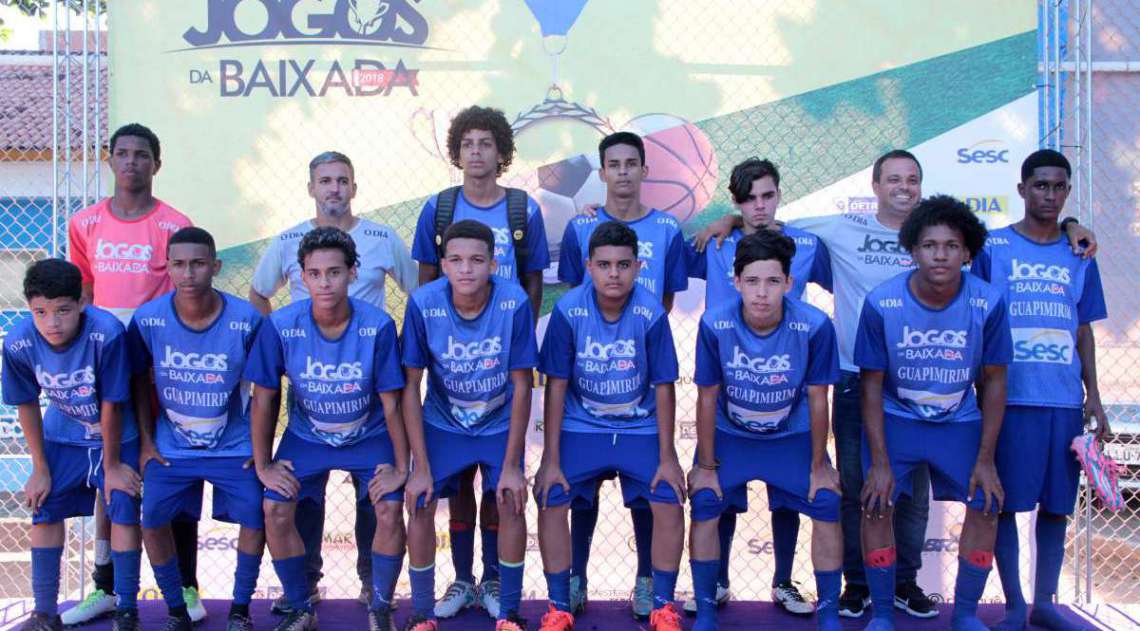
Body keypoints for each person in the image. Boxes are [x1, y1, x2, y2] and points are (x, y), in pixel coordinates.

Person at [697, 150, 1098, 619]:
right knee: (858, 484)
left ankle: (905, 581)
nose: (902, 187)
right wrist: (728, 217)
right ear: (875, 186)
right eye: (893, 179)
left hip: (927, 394)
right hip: (855, 374)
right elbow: (767, 226)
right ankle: (857, 585)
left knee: (914, 491)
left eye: (911, 179)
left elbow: (1030, 238)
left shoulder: (949, 239)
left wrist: (1071, 226)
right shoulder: (836, 231)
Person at [249, 151, 417, 613]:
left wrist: (393, 356)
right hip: (311, 416)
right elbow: (265, 396)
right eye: (325, 180)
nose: (334, 188)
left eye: (343, 180)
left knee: (381, 499)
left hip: (367, 404)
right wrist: (262, 462)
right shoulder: (285, 300)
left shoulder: (382, 245)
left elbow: (417, 298)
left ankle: (376, 593)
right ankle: (301, 594)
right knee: (288, 500)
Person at [410, 105, 549, 620]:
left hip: (499, 360)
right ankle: (462, 580)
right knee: (455, 491)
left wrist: (513, 330)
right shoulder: (439, 207)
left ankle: (495, 581)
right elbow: (427, 278)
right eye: (467, 143)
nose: (476, 152)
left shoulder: (521, 209)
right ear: (456, 151)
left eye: (486, 143)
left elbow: (534, 278)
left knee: (501, 488)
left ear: (501, 151)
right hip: (452, 379)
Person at [64, 123, 202, 626]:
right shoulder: (84, 223)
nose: (130, 163)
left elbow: (184, 295)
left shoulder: (174, 224)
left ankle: (186, 586)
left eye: (141, 155)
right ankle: (106, 584)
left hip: (157, 361)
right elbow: (81, 294)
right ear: (110, 160)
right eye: (121, 154)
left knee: (169, 464)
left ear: (156, 165)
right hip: (104, 364)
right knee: (112, 469)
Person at [683, 158, 832, 617]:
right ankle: (719, 581)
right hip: (733, 386)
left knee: (789, 496)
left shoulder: (805, 244)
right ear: (735, 202)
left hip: (786, 383)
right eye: (749, 198)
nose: (760, 205)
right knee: (718, 494)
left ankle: (784, 580)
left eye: (768, 195)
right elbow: (668, 253)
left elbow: (840, 281)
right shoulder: (718, 240)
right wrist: (726, 222)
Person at [854, 195, 1010, 631]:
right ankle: (883, 613)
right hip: (897, 417)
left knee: (985, 503)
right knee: (875, 503)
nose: (940, 254)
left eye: (951, 245)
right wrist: (881, 462)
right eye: (929, 245)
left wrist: (985, 459)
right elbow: (870, 383)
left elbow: (995, 380)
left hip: (958, 420)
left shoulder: (987, 302)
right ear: (912, 250)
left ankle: (963, 614)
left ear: (967, 253)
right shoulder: (883, 301)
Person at [971, 150, 1109, 631]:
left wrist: (1093, 395)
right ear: (1022, 190)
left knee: (1056, 506)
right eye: (1040, 186)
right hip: (1010, 399)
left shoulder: (1080, 254)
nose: (1049, 195)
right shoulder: (992, 248)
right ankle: (1013, 604)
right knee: (1006, 504)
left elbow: (1084, 330)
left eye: (1058, 187)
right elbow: (978, 319)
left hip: (1063, 400)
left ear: (1067, 192)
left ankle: (1045, 604)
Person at [557, 131, 688, 618]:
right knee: (580, 492)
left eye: (633, 163)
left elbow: (667, 300)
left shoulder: (668, 229)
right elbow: (576, 297)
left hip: (642, 374)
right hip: (592, 374)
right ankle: (574, 579)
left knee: (645, 492)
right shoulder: (580, 227)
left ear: (645, 169)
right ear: (603, 171)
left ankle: (648, 582)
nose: (624, 172)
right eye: (614, 164)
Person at [534, 221, 685, 631]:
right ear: (588, 266)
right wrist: (550, 458)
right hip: (583, 426)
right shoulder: (569, 310)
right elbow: (556, 385)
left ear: (638, 266)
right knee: (551, 493)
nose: (613, 273)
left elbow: (664, 384)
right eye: (604, 264)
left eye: (622, 264)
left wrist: (669, 456)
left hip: (639, 428)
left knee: (669, 494)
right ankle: (558, 605)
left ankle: (663, 605)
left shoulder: (650, 310)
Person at [400, 220, 537, 631]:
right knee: (421, 499)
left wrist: (513, 464)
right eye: (456, 260)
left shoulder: (513, 303)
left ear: (493, 264)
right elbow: (410, 385)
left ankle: (506, 605)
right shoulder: (424, 303)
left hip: (497, 420)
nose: (466, 269)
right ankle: (428, 610)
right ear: (442, 265)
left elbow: (522, 383)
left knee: (510, 495)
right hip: (444, 421)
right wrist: (419, 466)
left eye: (477, 260)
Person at [127, 227, 265, 631]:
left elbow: (265, 390)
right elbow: (137, 378)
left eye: (198, 264)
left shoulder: (246, 319)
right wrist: (147, 441)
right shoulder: (149, 318)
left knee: (257, 515)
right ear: (168, 267)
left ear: (215, 266)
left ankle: (240, 610)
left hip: (233, 446)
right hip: (171, 447)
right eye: (179, 264)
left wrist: (259, 451)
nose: (189, 274)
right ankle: (175, 609)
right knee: (150, 518)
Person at [4, 259, 143, 631]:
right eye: (41, 312)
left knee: (123, 504)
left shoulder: (107, 333)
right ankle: (45, 612)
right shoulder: (19, 342)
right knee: (43, 506)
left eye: (63, 310)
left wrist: (112, 466)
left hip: (117, 433)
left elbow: (114, 401)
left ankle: (127, 607)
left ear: (81, 302)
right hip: (63, 435)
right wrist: (39, 467)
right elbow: (26, 403)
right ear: (30, 308)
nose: (52, 322)